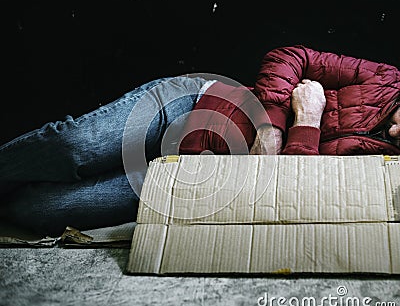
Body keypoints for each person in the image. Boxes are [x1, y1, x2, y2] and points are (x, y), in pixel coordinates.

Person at [1, 45, 399, 235]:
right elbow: (291, 57)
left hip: (196, 183)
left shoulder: (390, 171)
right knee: (77, 146)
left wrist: (308, 120)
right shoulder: (385, 79)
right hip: (194, 106)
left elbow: (300, 195)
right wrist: (272, 126)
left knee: (36, 211)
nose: (396, 134)